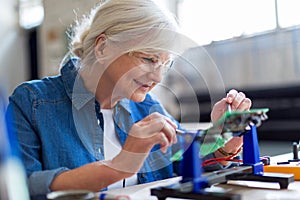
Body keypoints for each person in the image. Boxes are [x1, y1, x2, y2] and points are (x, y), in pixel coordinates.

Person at [6, 0, 252, 197]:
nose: (157, 77)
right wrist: (121, 164)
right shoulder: (33, 102)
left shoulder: (148, 107)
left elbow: (185, 158)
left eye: (164, 64)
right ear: (102, 48)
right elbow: (22, 188)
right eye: (148, 59)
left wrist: (224, 136)